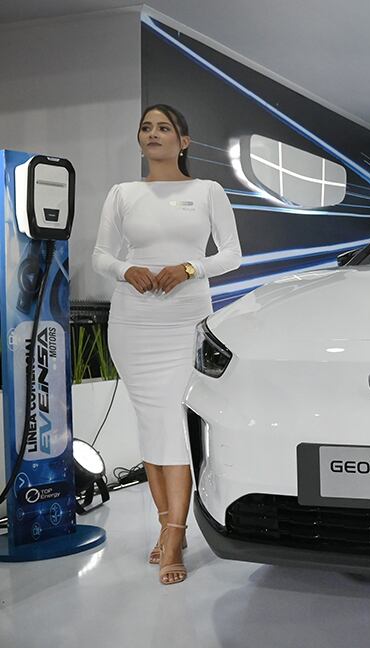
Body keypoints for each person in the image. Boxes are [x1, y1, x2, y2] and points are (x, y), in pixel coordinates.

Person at [92, 104, 241, 584]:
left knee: (175, 427)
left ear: (184, 141)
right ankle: (167, 525)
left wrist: (190, 268)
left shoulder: (207, 191)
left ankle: (174, 536)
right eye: (146, 127)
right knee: (152, 427)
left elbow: (232, 255)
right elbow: (100, 256)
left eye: (163, 127)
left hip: (184, 321)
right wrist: (125, 270)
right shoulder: (122, 194)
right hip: (133, 322)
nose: (153, 134)